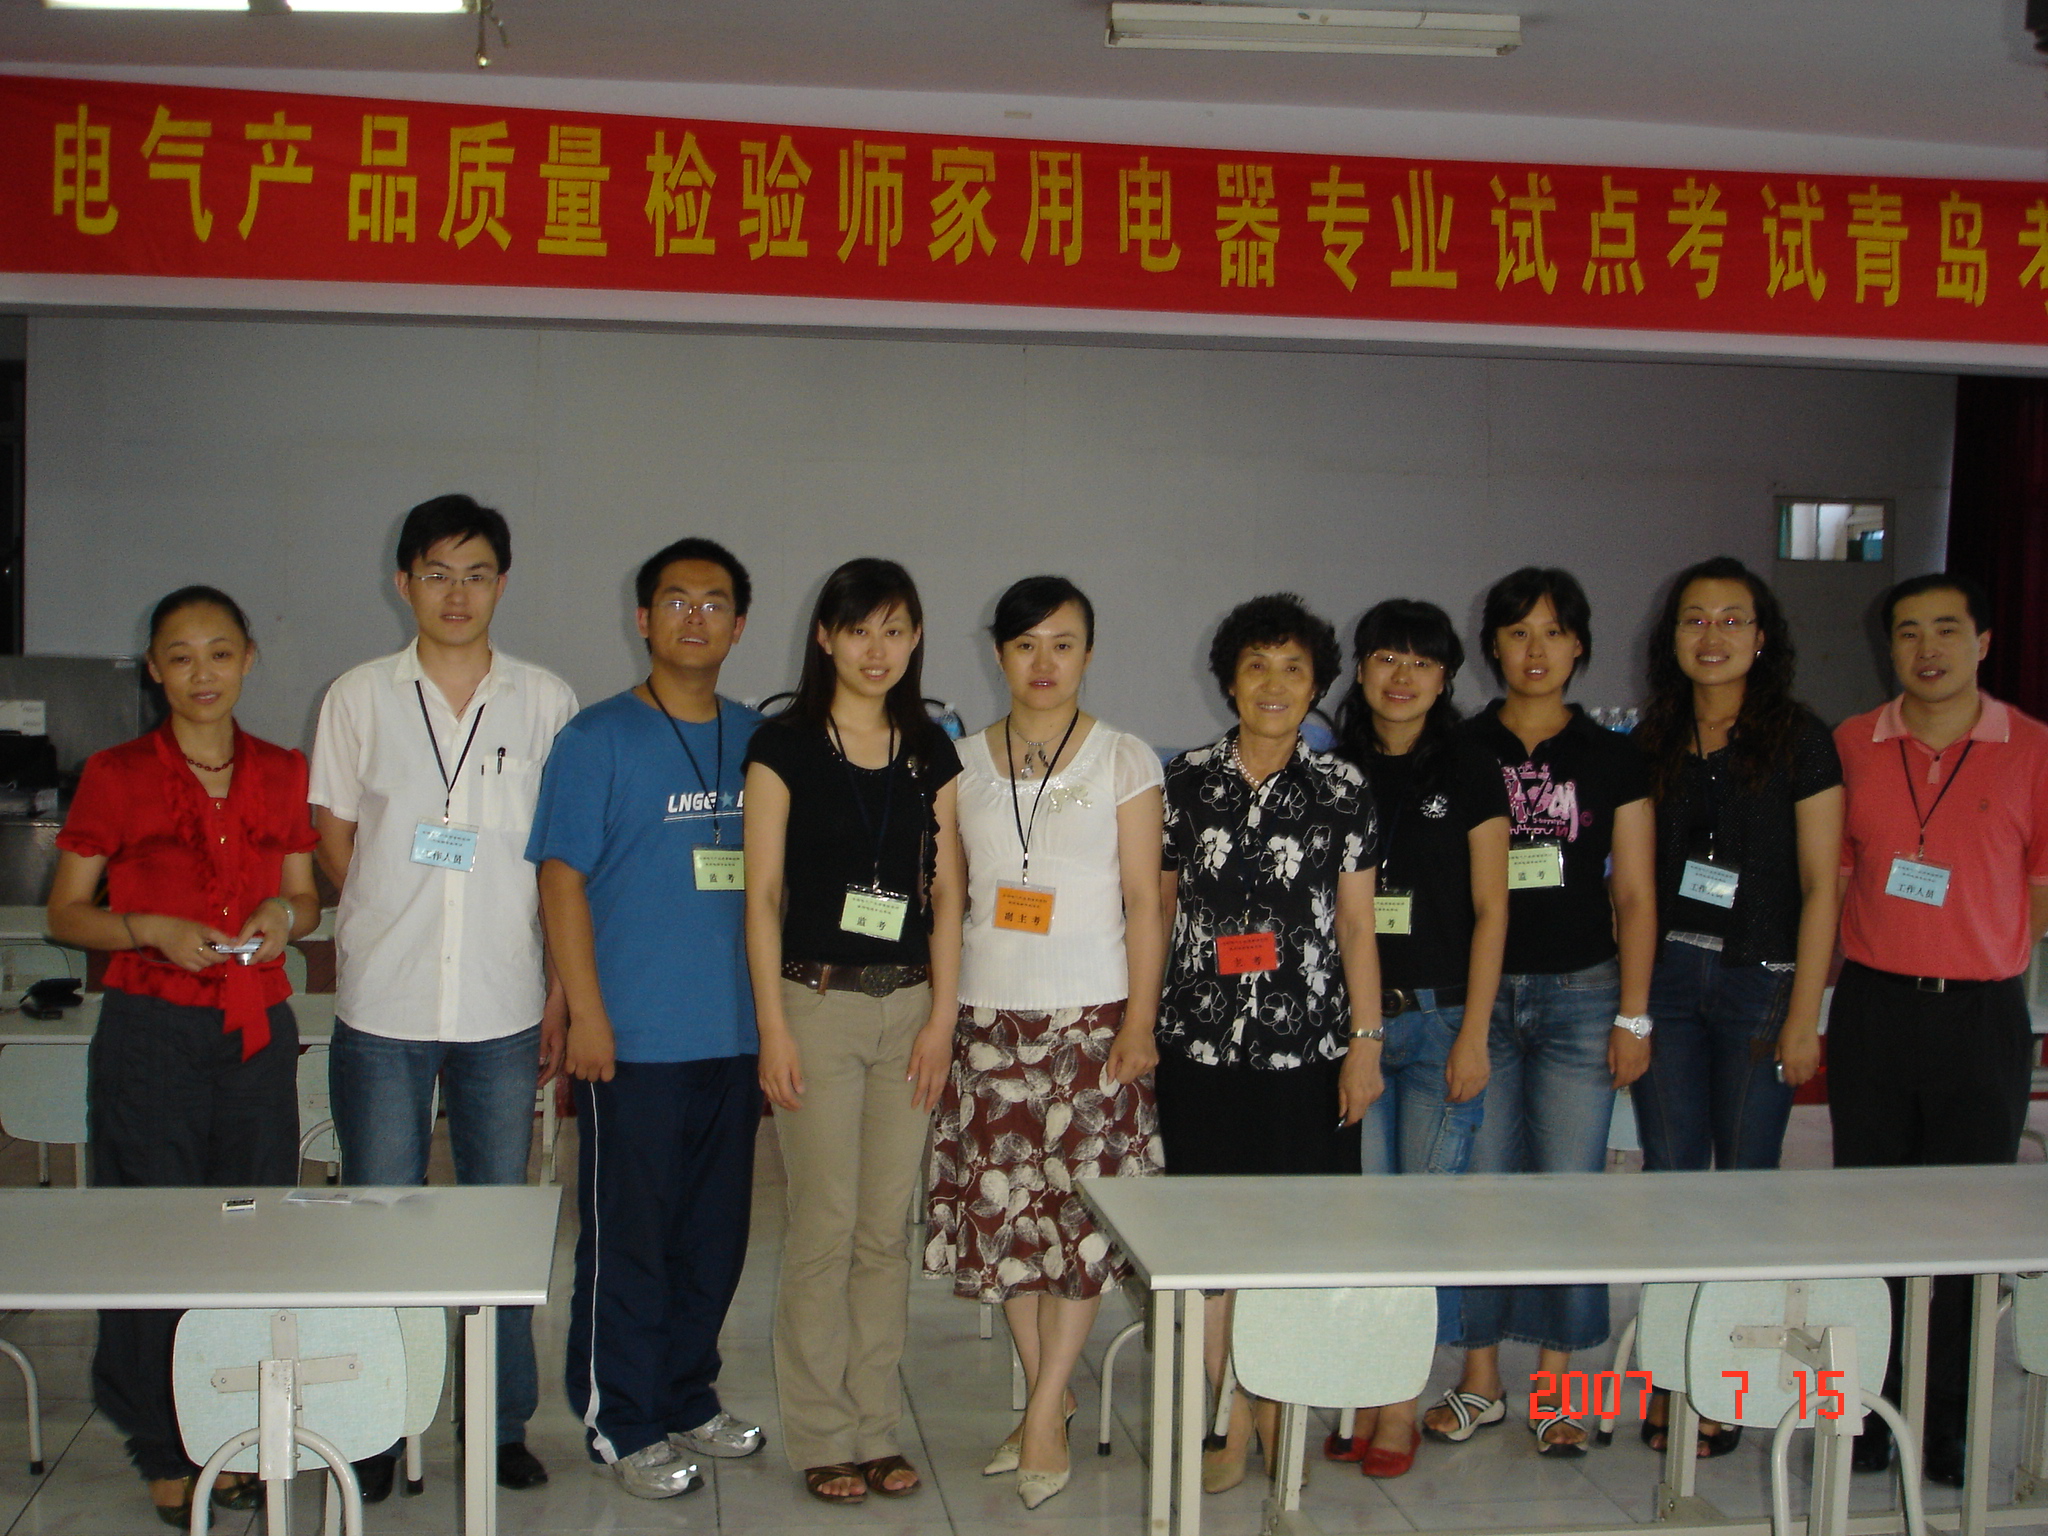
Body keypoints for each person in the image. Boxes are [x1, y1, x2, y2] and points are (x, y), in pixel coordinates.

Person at [308, 494, 576, 1496]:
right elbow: (336, 838)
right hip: (384, 1003)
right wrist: (394, 911)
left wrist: (558, 991)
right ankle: (375, 1425)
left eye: (475, 575)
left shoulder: (545, 701)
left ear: (502, 584)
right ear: (403, 583)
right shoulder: (358, 697)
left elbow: (561, 862)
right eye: (435, 574)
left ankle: (498, 1427)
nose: (455, 594)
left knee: (497, 1226)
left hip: (503, 1004)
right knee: (379, 1218)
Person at [47, 587, 320, 1527]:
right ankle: (162, 1444)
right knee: (152, 1235)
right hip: (152, 1033)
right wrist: (147, 927)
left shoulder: (281, 769)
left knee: (251, 1230)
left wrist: (284, 915)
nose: (203, 673)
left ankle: (233, 1427)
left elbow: (304, 896)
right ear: (155, 669)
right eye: (180, 656)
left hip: (255, 1031)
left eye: (220, 653)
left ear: (248, 658)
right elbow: (66, 913)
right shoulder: (117, 773)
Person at [528, 538, 766, 1499]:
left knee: (714, 1236)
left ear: (739, 626)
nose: (694, 617)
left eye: (714, 603)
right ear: (642, 618)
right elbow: (560, 882)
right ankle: (620, 1418)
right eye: (675, 600)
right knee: (628, 1238)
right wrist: (585, 1011)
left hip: (735, 1036)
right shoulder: (596, 738)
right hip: (630, 1040)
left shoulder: (761, 739)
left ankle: (685, 1394)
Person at [922, 576, 1166, 1510]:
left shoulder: (1124, 758)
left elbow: (1144, 899)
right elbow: (950, 897)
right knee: (1011, 1227)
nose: (1044, 662)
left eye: (1063, 643)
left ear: (1088, 654)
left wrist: (1139, 1021)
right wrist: (946, 1017)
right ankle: (1046, 1401)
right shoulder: (956, 763)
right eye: (1026, 644)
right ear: (999, 655)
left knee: (1078, 1224)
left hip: (1094, 1020)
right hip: (990, 1019)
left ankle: (1043, 1412)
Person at [742, 558, 965, 1507]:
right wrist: (773, 1027)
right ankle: (822, 1434)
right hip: (816, 1007)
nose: (878, 649)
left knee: (884, 1232)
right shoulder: (783, 745)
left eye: (896, 630)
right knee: (824, 1228)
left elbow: (947, 892)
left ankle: (876, 1427)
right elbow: (762, 896)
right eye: (860, 629)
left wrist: (943, 1018)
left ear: (915, 641)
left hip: (908, 1008)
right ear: (825, 637)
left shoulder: (931, 749)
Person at [1154, 592, 1383, 1494]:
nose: (1275, 685)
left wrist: (1366, 1043)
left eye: (1294, 668)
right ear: (1229, 682)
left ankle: (1277, 1404)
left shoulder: (1343, 790)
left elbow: (1358, 927)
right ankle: (1232, 1415)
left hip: (1309, 1055)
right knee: (1211, 1244)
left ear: (1317, 684)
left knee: (1298, 1242)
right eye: (1257, 667)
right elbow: (1158, 914)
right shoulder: (1183, 783)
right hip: (1200, 1051)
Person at [1426, 567, 1655, 1458]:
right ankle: (1480, 1381)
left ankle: (1562, 1390)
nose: (1535, 649)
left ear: (1579, 647)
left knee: (1569, 1193)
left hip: (1580, 996)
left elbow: (1634, 895)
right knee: (1482, 1190)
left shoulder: (1612, 756)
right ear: (1492, 646)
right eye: (1518, 631)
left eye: (1554, 632)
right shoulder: (1461, 747)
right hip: (1478, 1000)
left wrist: (1633, 1016)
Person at [1831, 572, 2048, 1488]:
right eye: (1909, 632)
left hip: (1983, 1016)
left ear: (1983, 642)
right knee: (1868, 1221)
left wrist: (1984, 948)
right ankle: (1869, 1411)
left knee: (1966, 1227)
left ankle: (1947, 1417)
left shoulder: (2033, 749)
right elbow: (1836, 874)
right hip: (1875, 1009)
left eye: (1947, 630)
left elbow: (2040, 887)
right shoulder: (1852, 743)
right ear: (1889, 648)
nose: (1928, 649)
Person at [1628, 557, 1843, 1456]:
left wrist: (1804, 1015)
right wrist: (1632, 1008)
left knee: (1747, 1185)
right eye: (1693, 619)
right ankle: (1672, 1380)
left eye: (1730, 619)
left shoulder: (1800, 738)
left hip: (1763, 979)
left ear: (1761, 636)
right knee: (1673, 1181)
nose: (1710, 636)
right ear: (1671, 636)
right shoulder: (1652, 737)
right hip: (1669, 979)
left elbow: (1823, 886)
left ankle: (1729, 1376)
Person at [1327, 598, 1508, 1479]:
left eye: (1423, 662)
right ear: (1361, 668)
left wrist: (1475, 1033)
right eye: (1386, 658)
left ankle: (1396, 1401)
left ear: (1445, 679)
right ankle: (1373, 1383)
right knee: (1367, 1223)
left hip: (1441, 1022)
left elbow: (1492, 909)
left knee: (1422, 1219)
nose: (1402, 676)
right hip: (1355, 1028)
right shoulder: (1335, 768)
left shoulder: (1471, 767)